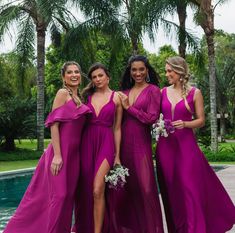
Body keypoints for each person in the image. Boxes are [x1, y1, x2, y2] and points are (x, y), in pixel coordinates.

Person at [3, 61, 91, 233]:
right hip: (60, 154)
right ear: (63, 77)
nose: (74, 75)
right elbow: (54, 125)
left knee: (67, 199)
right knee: (60, 196)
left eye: (77, 72)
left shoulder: (79, 97)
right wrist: (58, 155)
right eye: (70, 72)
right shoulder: (62, 93)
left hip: (74, 156)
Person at [156, 56, 235, 233]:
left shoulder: (195, 93)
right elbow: (154, 116)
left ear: (180, 72)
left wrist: (185, 124)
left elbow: (201, 120)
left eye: (170, 71)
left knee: (189, 188)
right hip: (166, 148)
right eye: (166, 70)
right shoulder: (162, 92)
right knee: (172, 190)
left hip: (186, 148)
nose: (167, 74)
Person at [109, 55, 164, 233]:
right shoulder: (123, 93)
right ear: (130, 72)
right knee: (125, 190)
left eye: (141, 69)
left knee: (146, 189)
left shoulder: (154, 90)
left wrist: (129, 108)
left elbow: (151, 118)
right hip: (122, 146)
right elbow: (115, 124)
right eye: (134, 70)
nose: (138, 73)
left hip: (141, 145)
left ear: (147, 70)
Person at [72, 63, 123, 233]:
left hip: (106, 143)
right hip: (87, 143)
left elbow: (117, 128)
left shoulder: (117, 98)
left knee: (97, 188)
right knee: (85, 188)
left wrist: (117, 156)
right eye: (94, 77)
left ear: (108, 77)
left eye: (100, 75)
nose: (97, 79)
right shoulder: (86, 96)